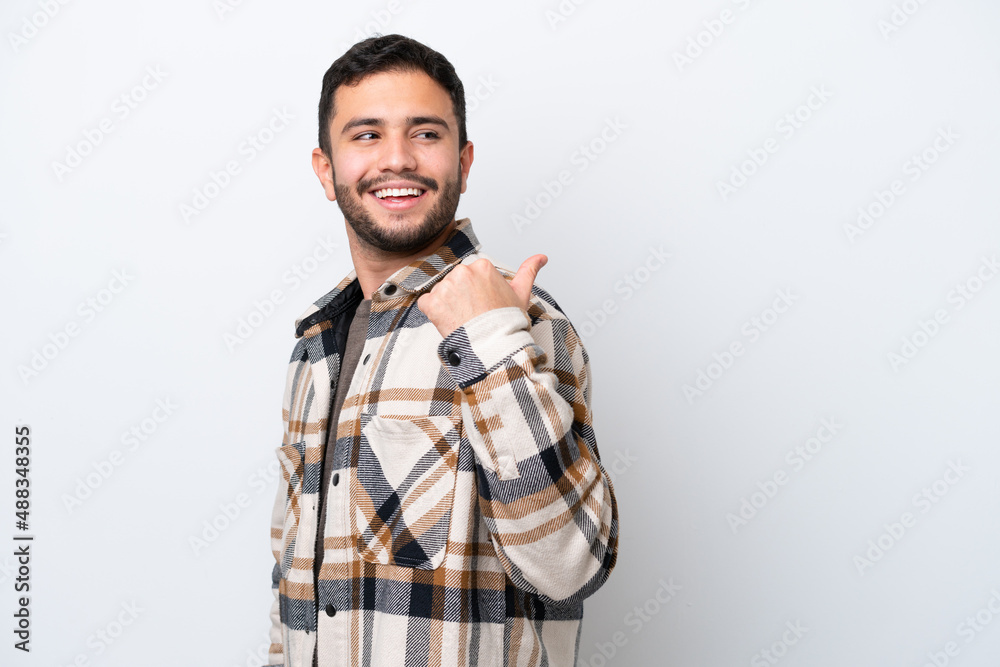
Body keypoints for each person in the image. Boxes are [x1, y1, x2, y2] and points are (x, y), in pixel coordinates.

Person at [266, 34, 619, 667]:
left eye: (426, 134)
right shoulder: (314, 346)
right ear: (327, 169)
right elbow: (294, 581)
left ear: (463, 160)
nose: (396, 159)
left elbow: (571, 565)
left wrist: (489, 343)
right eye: (366, 135)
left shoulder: (522, 321)